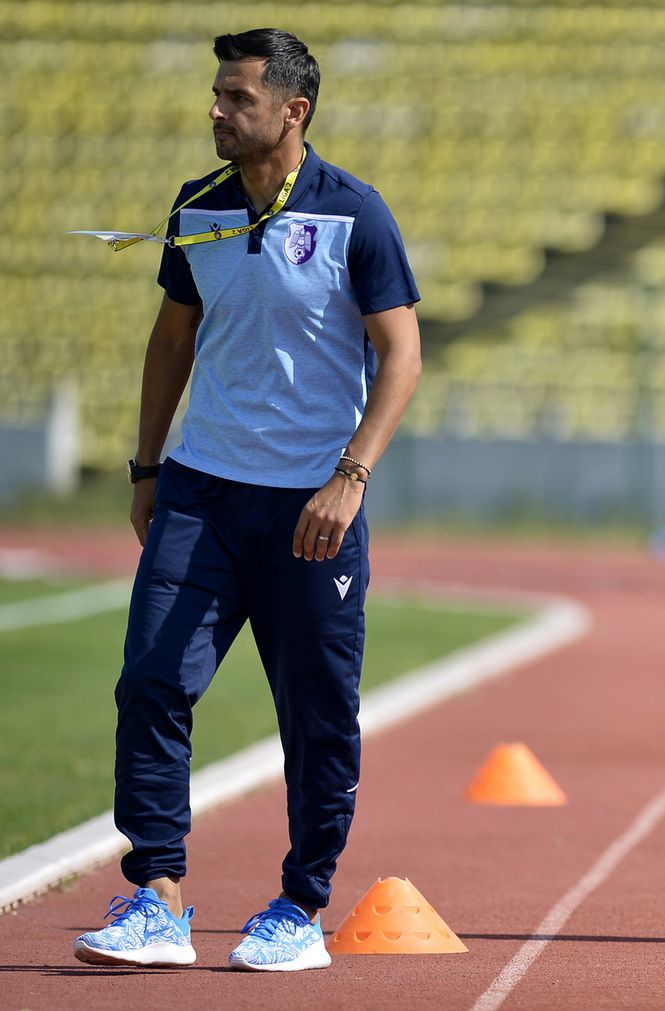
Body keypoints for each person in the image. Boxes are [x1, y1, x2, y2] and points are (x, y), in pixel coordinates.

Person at [73, 29, 422, 971]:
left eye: (236, 97)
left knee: (315, 714)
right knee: (151, 679)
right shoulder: (195, 208)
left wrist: (349, 477)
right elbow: (170, 340)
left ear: (292, 111)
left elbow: (403, 354)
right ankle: (156, 896)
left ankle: (300, 904)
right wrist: (147, 468)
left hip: (313, 508)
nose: (217, 110)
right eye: (217, 94)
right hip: (201, 495)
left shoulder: (357, 214)